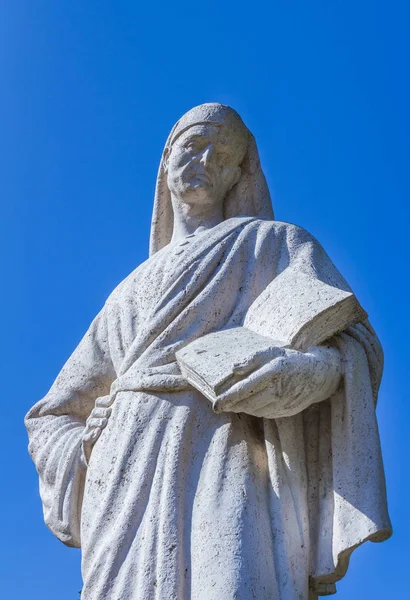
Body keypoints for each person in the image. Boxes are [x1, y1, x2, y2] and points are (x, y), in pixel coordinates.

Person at [25, 103, 391, 600]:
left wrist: (296, 374)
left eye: (222, 154)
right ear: (166, 159)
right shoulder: (125, 294)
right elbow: (51, 415)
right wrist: (89, 443)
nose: (205, 159)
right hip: (125, 471)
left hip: (230, 444)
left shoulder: (275, 245)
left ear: (240, 173)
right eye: (193, 145)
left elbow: (353, 345)